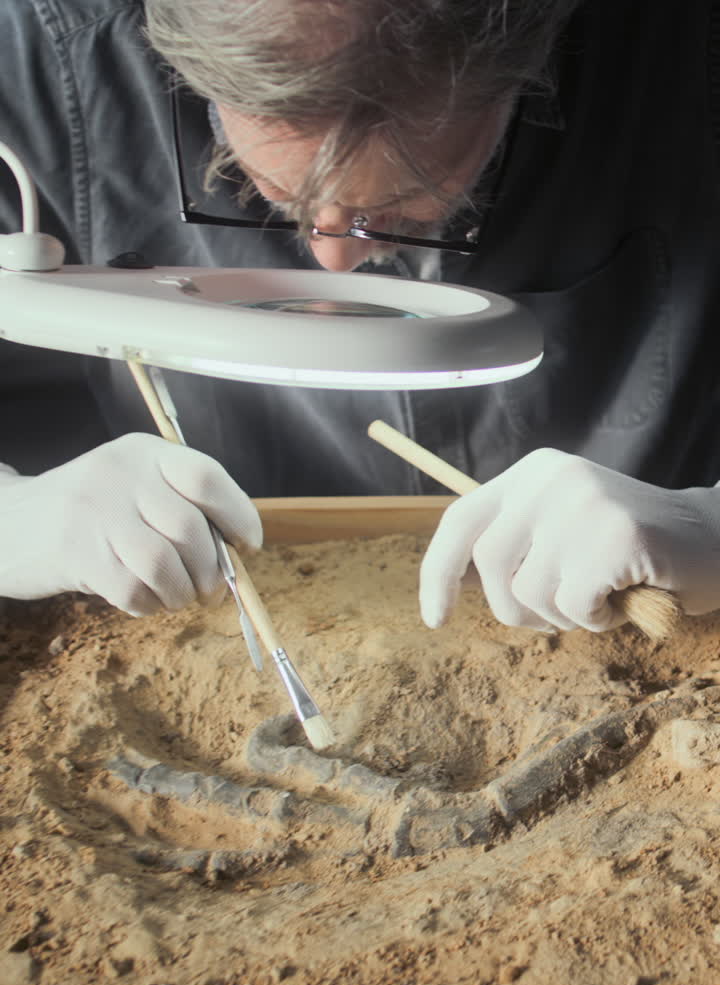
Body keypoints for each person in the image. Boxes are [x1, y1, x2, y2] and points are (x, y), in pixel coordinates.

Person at [1, 0, 720, 633]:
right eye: (270, 188)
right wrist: (19, 517)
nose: (333, 260)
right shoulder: (46, 57)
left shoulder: (686, 49)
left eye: (400, 209)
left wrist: (709, 526)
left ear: (523, 75)